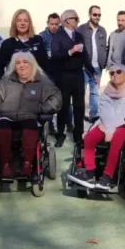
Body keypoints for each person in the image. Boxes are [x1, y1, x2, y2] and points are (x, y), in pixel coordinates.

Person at [0, 52, 62, 179]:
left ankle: (27, 164)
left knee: (30, 126)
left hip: (30, 116)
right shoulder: (6, 81)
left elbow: (56, 98)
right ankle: (5, 165)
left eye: (25, 62)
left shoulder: (42, 81)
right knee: (1, 126)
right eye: (18, 63)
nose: (21, 66)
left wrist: (42, 108)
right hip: (7, 116)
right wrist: (0, 106)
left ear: (32, 64)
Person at [69, 64, 125, 190]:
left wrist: (110, 130)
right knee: (89, 138)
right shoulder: (105, 93)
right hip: (107, 124)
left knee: (117, 138)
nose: (115, 75)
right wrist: (108, 128)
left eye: (118, 72)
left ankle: (107, 177)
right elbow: (105, 113)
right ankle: (90, 172)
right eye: (112, 73)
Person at [52, 9, 96, 147]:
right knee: (63, 106)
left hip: (78, 75)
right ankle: (60, 134)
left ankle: (78, 136)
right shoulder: (58, 36)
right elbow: (55, 56)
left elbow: (85, 56)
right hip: (63, 76)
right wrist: (71, 51)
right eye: (75, 18)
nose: (77, 21)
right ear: (66, 21)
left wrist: (92, 71)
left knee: (79, 106)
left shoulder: (79, 36)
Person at [0, 9, 48, 78]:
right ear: (14, 23)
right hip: (15, 85)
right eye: (19, 20)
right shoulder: (7, 44)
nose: (23, 23)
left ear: (29, 23)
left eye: (26, 21)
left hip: (36, 84)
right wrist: (6, 83)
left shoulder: (38, 40)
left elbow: (45, 65)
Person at [77, 5, 108, 119]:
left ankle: (93, 115)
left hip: (97, 68)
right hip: (84, 67)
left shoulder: (102, 31)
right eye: (95, 14)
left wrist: (104, 63)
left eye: (99, 15)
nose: (97, 17)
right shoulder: (81, 29)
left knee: (95, 93)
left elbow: (105, 48)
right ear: (89, 15)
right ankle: (79, 115)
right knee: (81, 92)